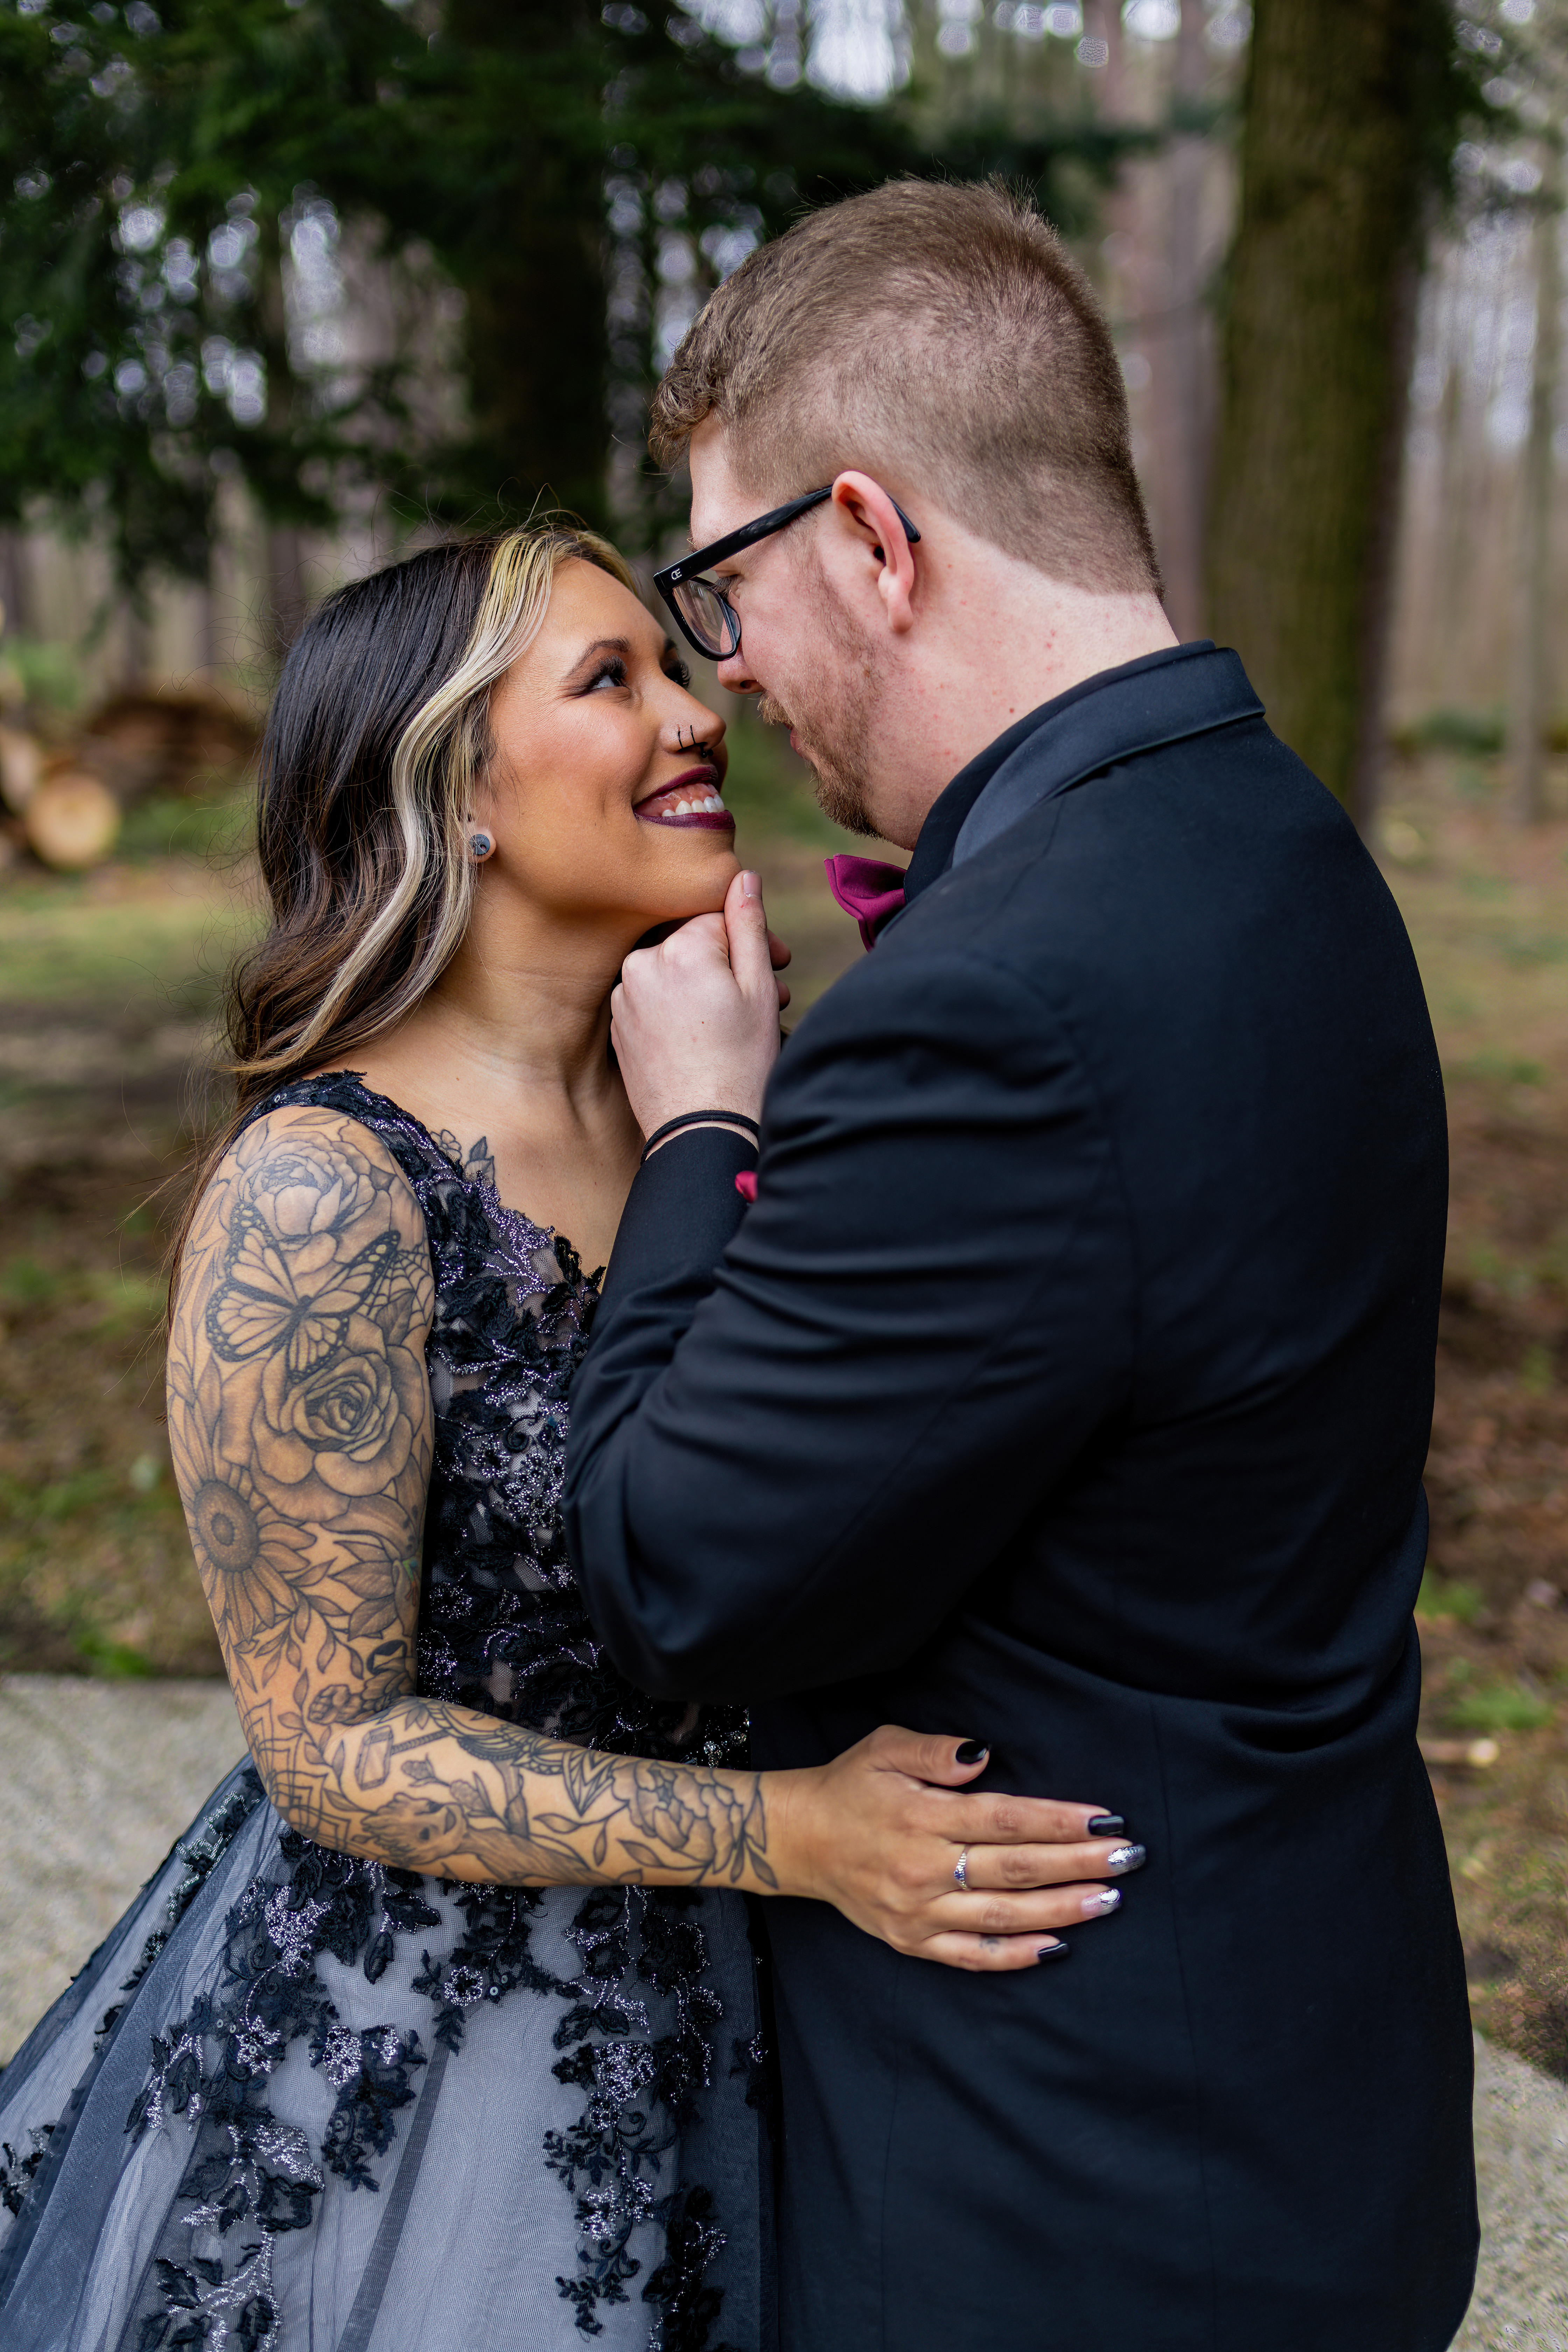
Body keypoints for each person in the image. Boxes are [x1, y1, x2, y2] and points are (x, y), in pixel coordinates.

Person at [0, 524, 1140, 2352]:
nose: (696, 717)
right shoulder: (324, 1195)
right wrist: (792, 1834)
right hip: (425, 2077)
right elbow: (332, 1751)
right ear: (452, 791)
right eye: (613, 682)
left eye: (673, 670)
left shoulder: (724, 1117)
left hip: (750, 2020)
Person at [563, 180, 1478, 2352]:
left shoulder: (998, 998)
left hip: (1069, 2195)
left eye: (726, 586)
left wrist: (702, 1124)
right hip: (1311, 2082)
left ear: (874, 541)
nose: (734, 671)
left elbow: (677, 1576)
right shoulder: (1277, 840)